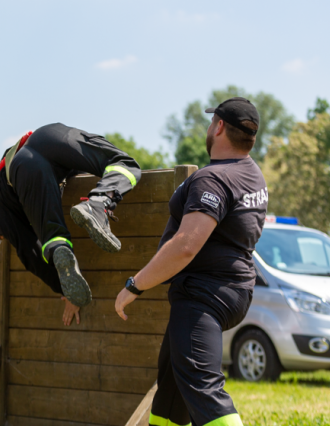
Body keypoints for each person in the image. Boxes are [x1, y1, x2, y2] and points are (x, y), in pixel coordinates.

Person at [114, 97, 268, 426]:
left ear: (220, 126)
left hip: (202, 294)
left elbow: (186, 246)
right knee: (170, 392)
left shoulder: (212, 179)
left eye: (212, 121)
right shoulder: (251, 174)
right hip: (231, 288)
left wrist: (134, 285)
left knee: (203, 386)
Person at [0, 123, 142, 326]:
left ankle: (59, 245)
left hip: (25, 168)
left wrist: (67, 289)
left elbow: (30, 253)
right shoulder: (3, 189)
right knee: (124, 164)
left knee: (54, 238)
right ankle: (99, 203)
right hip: (49, 135)